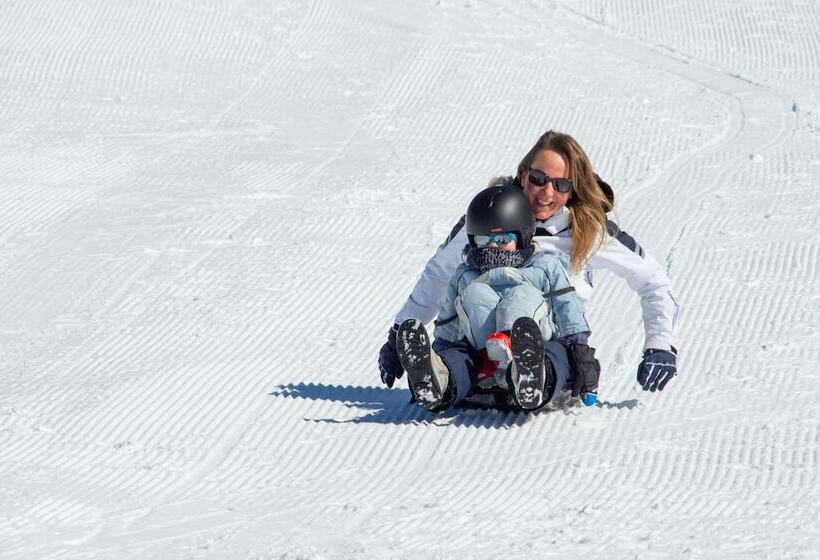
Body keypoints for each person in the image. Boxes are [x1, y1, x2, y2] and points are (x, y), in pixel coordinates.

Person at [379, 130, 680, 402]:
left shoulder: (588, 231)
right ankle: (440, 380)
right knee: (458, 350)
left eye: (561, 184)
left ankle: (531, 375)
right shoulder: (488, 217)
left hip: (548, 345)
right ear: (523, 174)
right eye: (539, 179)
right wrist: (398, 333)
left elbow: (653, 281)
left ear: (573, 190)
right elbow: (439, 273)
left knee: (551, 350)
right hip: (477, 345)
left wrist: (660, 343)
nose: (547, 193)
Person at [395, 183, 601, 412]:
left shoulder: (545, 266)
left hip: (539, 345)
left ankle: (533, 376)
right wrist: (441, 353)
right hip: (482, 360)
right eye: (484, 241)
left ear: (523, 236)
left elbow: (567, 308)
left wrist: (580, 350)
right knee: (464, 337)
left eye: (503, 240)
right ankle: (439, 381)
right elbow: (449, 324)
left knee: (553, 345)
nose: (494, 247)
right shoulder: (465, 275)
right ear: (473, 241)